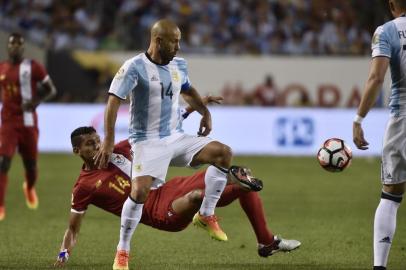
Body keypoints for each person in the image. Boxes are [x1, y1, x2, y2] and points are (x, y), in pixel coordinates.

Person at [94, 19, 234, 270]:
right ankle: (122, 251)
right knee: (138, 193)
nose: (178, 47)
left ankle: (205, 214)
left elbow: (188, 91)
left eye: (179, 41)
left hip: (176, 137)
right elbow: (113, 101)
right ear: (158, 41)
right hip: (147, 142)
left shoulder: (178, 64)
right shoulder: (134, 67)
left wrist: (205, 112)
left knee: (223, 153)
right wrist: (109, 139)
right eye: (174, 42)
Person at [54, 126, 301, 267]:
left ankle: (266, 241)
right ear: (77, 151)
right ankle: (218, 198)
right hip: (156, 212)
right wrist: (63, 254)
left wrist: (192, 108)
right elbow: (73, 229)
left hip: (169, 188)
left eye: (98, 141)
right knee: (197, 197)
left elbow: (154, 133)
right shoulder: (83, 187)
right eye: (89, 144)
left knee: (236, 177)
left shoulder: (118, 150)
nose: (98, 146)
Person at [353, 1, 406, 269]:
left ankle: (379, 266)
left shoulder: (386, 31)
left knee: (391, 194)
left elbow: (376, 78)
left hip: (402, 121)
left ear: (392, 5)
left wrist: (359, 118)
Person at [0, 33, 57, 220]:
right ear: (8, 47)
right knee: (3, 162)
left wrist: (35, 101)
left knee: (30, 165)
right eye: (12, 43)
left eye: (18, 44)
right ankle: (0, 205)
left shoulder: (33, 67)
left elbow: (51, 89)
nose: (15, 47)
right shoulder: (2, 68)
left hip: (28, 123)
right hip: (8, 123)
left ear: (23, 47)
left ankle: (29, 187)